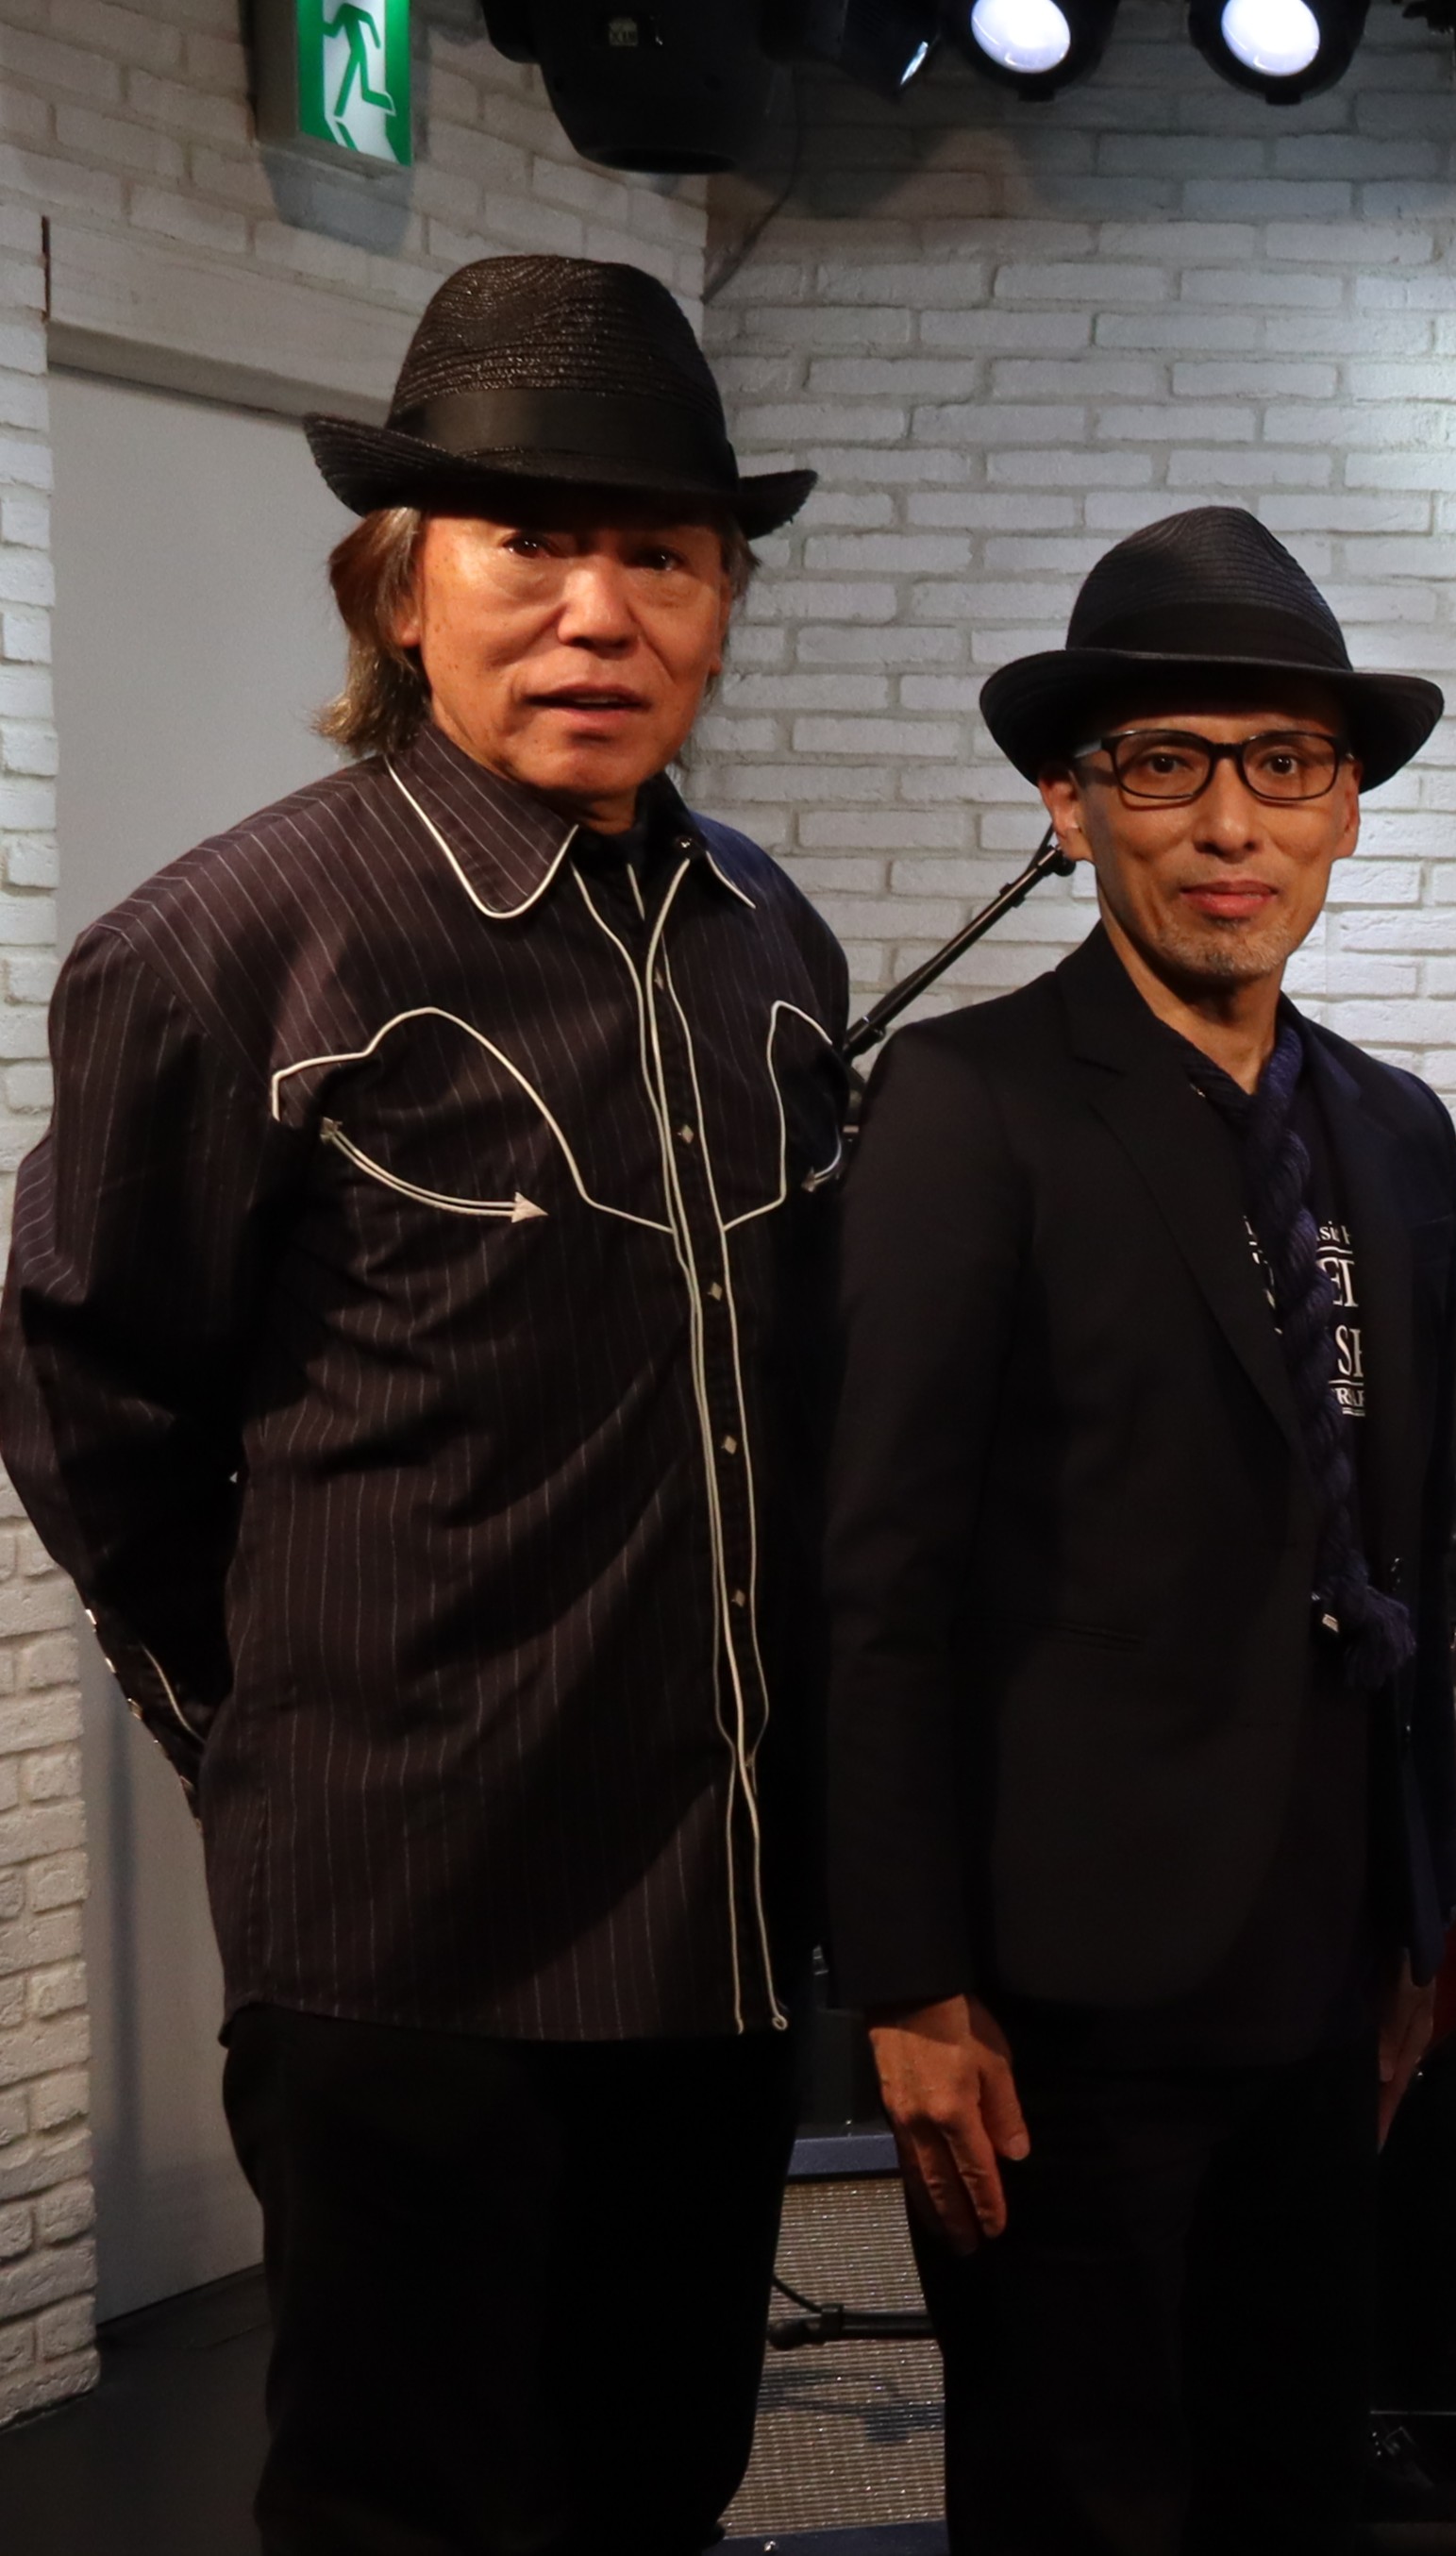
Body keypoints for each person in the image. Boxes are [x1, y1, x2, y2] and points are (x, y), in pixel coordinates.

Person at [0, 254, 842, 2555]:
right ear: (400, 583)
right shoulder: (227, 949)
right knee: (411, 2511)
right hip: (404, 1928)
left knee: (657, 2482)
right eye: (527, 543)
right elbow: (85, 1382)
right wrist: (280, 1719)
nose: (596, 611)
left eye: (659, 553)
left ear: (721, 603)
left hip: (718, 1920)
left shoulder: (772, 944)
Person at [826, 505, 1456, 2556]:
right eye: (1166, 764)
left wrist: (1419, 1921)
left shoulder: (1394, 1131)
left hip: (1322, 1963)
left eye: (1284, 764)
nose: (1229, 822)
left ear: (1345, 807)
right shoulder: (971, 1103)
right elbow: (877, 1578)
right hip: (1055, 1997)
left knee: (1295, 2492)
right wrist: (909, 1979)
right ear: (1072, 801)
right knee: (1075, 2507)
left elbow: (1398, 1552)